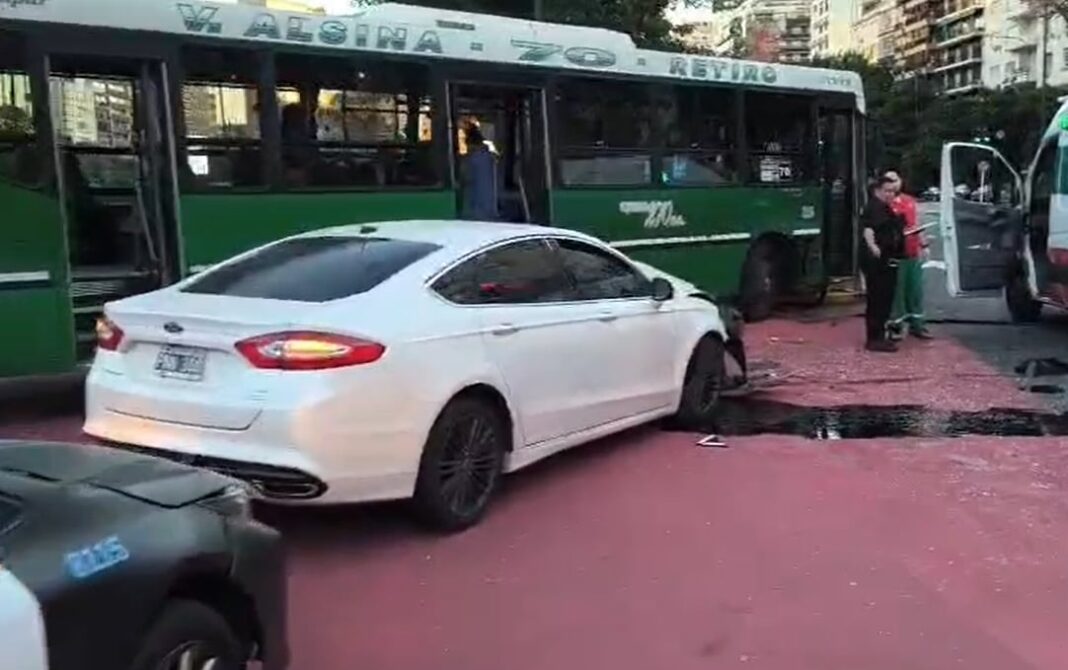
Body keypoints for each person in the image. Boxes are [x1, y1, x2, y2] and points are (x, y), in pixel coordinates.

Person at [885, 170, 933, 340]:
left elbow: (917, 224)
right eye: (889, 181)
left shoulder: (910, 201)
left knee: (915, 290)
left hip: (912, 252)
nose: (893, 184)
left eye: (895, 180)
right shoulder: (885, 203)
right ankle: (896, 326)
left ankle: (917, 325)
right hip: (896, 254)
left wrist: (924, 245)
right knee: (897, 291)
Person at [860, 175, 905, 352]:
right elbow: (868, 229)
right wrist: (873, 247)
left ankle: (879, 335)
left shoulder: (883, 207)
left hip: (886, 258)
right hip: (878, 261)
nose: (890, 194)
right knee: (878, 298)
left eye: (893, 191)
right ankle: (875, 338)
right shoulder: (875, 208)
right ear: (878, 190)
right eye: (887, 191)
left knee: (884, 298)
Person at [460, 124, 499, 221]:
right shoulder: (491, 157)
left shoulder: (472, 159)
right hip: (490, 207)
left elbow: (466, 177)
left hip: (476, 209)